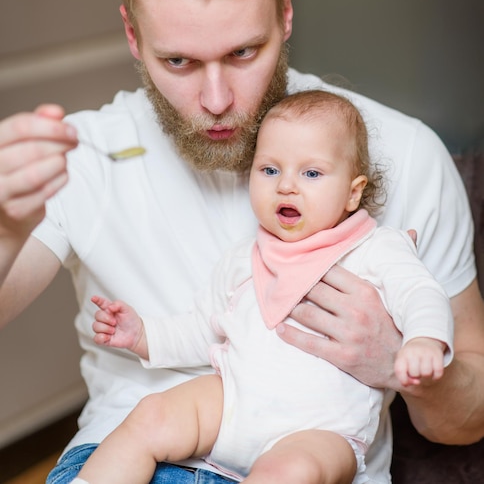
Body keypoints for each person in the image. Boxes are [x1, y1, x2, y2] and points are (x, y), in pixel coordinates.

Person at [0, 0, 482, 484]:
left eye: (243, 53)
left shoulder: (404, 152)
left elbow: (465, 420)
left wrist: (397, 361)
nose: (216, 99)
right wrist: (7, 228)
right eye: (179, 61)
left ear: (285, 13)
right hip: (139, 454)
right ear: (132, 36)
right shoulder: (85, 153)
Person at [71, 90, 454, 484]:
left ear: (354, 191)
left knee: (289, 473)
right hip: (233, 404)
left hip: (320, 431)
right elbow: (201, 330)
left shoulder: (374, 248)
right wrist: (143, 335)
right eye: (270, 170)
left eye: (311, 173)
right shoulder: (244, 258)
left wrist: (424, 340)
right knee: (152, 414)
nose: (286, 186)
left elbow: (421, 293)